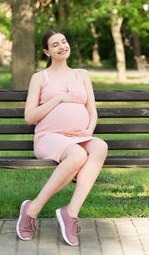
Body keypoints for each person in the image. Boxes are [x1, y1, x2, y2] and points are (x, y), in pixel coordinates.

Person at [16, 29, 108, 246]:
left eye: (64, 41)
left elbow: (92, 110)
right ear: (47, 51)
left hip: (78, 136)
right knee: (77, 155)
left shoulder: (82, 75)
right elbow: (29, 117)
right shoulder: (40, 78)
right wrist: (59, 98)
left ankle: (71, 212)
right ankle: (32, 209)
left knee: (100, 146)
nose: (62, 46)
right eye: (55, 44)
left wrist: (88, 131)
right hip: (49, 138)